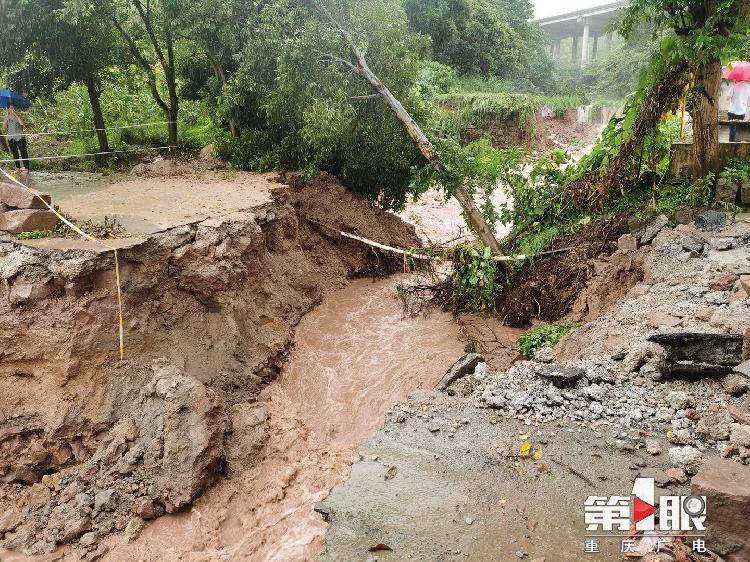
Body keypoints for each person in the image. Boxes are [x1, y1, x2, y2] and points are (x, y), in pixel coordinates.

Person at [3, 103, 29, 174]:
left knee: (23, 152)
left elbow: (22, 124)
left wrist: (15, 114)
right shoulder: (6, 117)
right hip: (11, 138)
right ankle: (18, 168)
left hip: (20, 137)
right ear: (8, 109)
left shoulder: (18, 116)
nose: (12, 109)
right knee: (14, 153)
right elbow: (4, 128)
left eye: (13, 108)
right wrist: (6, 119)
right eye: (10, 108)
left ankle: (26, 168)